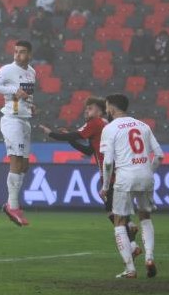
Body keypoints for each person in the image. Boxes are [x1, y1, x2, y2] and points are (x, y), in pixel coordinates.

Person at [40, 97, 140, 256]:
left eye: (90, 108)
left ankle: (130, 233)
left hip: (110, 174)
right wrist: (71, 139)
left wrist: (51, 133)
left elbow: (75, 135)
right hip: (121, 171)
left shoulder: (95, 123)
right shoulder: (105, 125)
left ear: (100, 110)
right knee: (116, 209)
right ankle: (132, 241)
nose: (87, 111)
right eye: (86, 109)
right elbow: (88, 150)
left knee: (111, 212)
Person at [99, 94, 162, 279]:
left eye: (106, 107)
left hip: (125, 177)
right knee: (145, 218)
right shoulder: (143, 125)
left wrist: (105, 185)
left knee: (120, 221)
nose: (106, 110)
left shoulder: (110, 128)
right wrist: (148, 172)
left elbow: (108, 162)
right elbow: (159, 155)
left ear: (111, 108)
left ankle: (130, 269)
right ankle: (149, 258)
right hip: (146, 176)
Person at [0, 41, 36, 226]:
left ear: (29, 54)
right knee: (15, 159)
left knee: (24, 165)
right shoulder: (8, 69)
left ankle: (12, 203)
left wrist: (31, 105)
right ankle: (13, 205)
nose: (17, 55)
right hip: (11, 119)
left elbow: (26, 95)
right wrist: (13, 90)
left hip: (25, 119)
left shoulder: (32, 72)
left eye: (22, 52)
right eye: (15, 52)